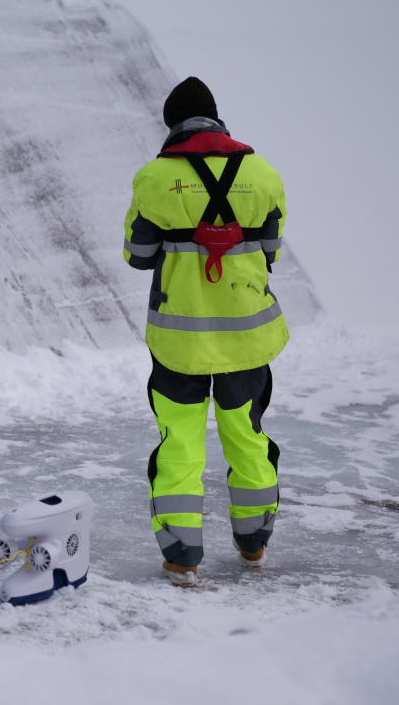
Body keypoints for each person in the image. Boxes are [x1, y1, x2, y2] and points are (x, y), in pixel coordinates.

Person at [123, 76, 289, 586]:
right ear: (216, 119)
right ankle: (254, 547)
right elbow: (271, 251)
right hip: (246, 338)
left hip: (180, 341)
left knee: (180, 444)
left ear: (173, 125)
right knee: (248, 438)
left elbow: (138, 256)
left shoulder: (154, 179)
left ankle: (181, 558)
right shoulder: (262, 173)